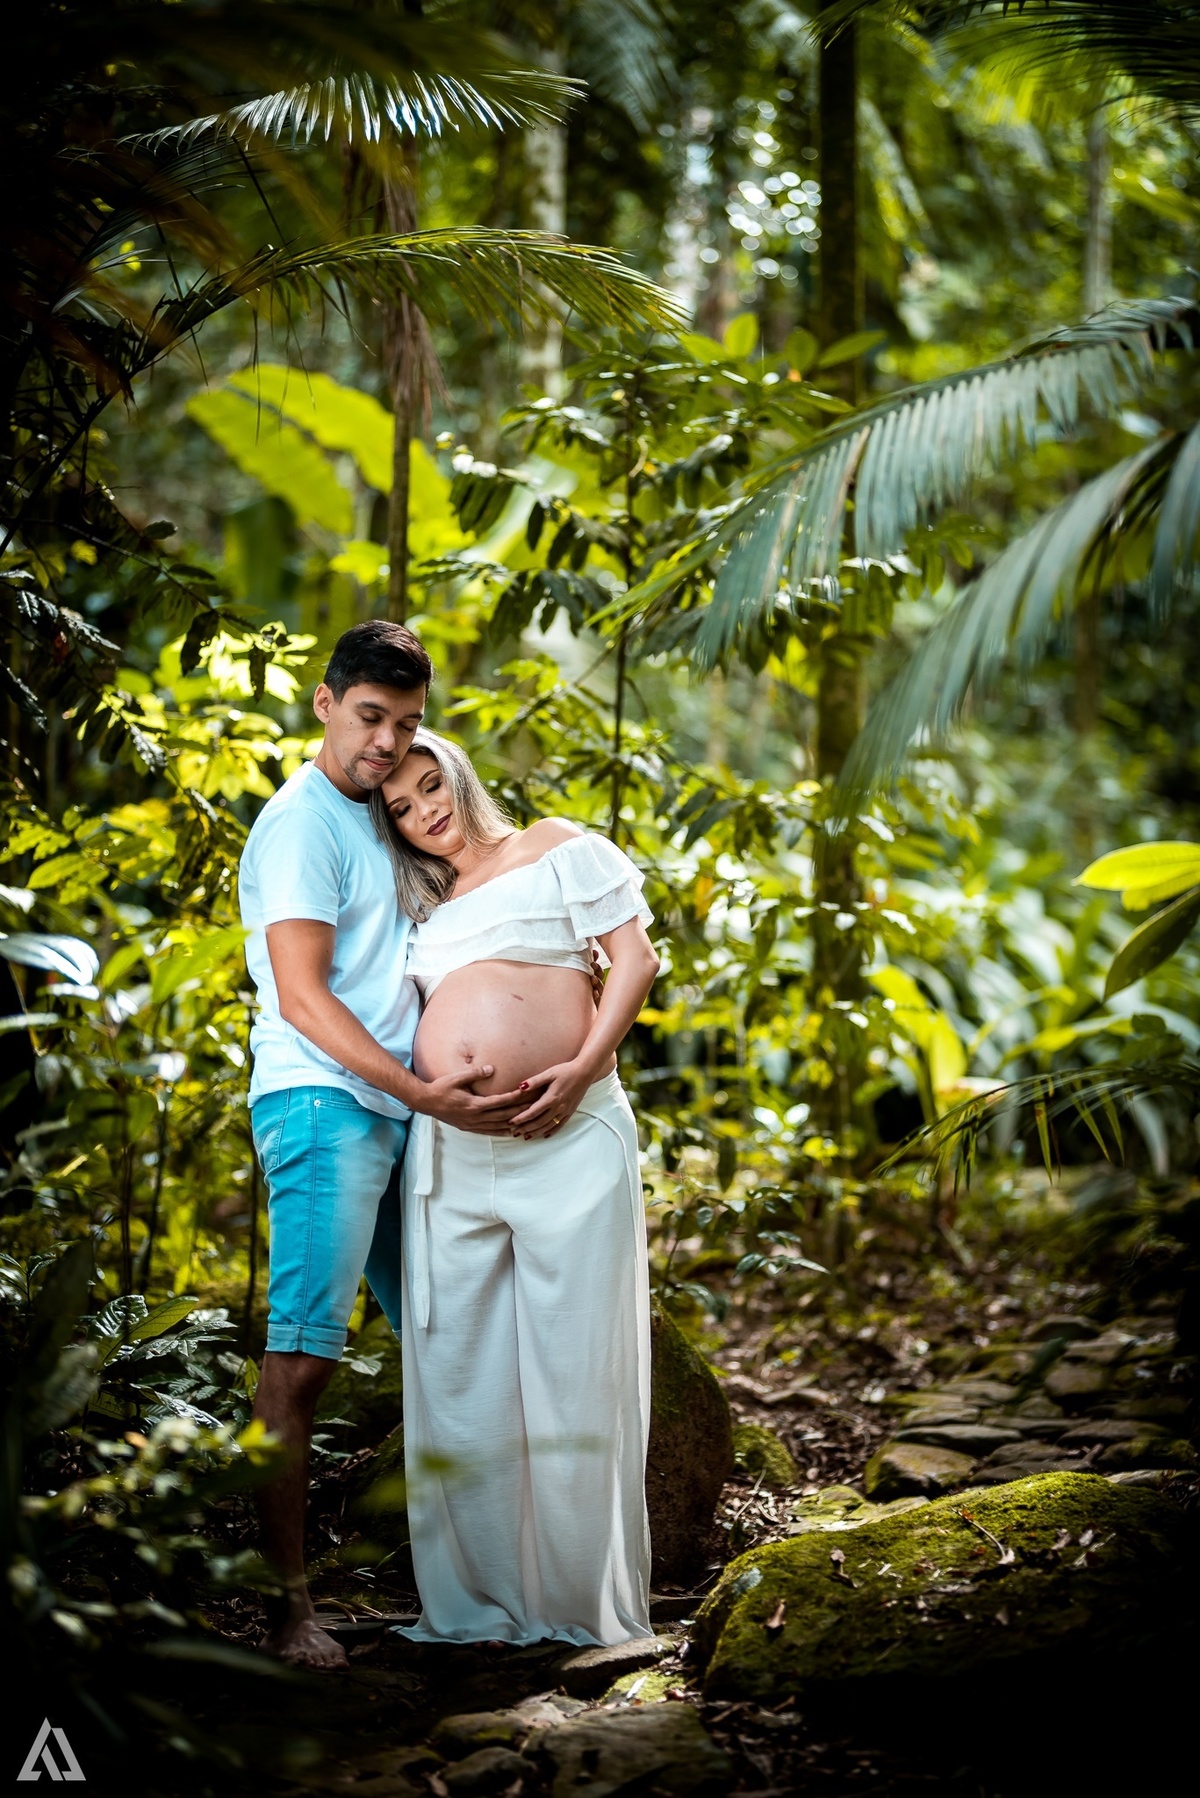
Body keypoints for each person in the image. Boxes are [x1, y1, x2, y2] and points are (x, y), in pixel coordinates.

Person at [239, 623, 527, 1669]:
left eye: (406, 723)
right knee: (302, 1358)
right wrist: (421, 1092)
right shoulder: (300, 827)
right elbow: (307, 1001)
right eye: (371, 717)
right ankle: (287, 1609)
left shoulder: (387, 819)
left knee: (452, 1339)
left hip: (405, 1118)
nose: (387, 742)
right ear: (325, 703)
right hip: (326, 1107)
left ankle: (481, 1585)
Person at [370, 727, 661, 1646]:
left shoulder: (557, 846)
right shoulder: (421, 907)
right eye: (404, 811)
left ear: (455, 770)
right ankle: (478, 1607)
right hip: (453, 1150)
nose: (425, 812)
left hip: (572, 1135)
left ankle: (579, 1607)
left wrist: (580, 1067)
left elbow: (637, 961)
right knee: (460, 1370)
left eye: (429, 786)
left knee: (576, 1367)